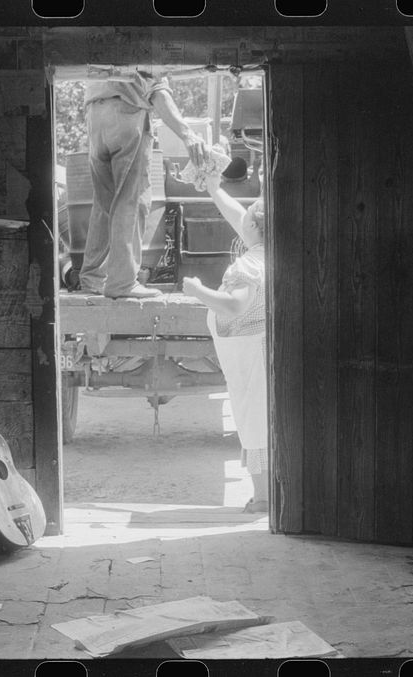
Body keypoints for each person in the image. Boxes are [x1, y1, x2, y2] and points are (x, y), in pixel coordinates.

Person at [181, 172, 268, 513]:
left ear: (254, 229)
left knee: (254, 425)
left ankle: (263, 498)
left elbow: (235, 305)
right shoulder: (271, 253)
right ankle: (269, 493)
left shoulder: (246, 265)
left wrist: (198, 290)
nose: (239, 221)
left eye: (246, 221)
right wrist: (213, 188)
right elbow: (238, 215)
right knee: (263, 422)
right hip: (261, 350)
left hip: (249, 356)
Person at [81, 71, 210, 298]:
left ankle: (93, 277)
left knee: (105, 203)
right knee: (131, 200)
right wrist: (187, 135)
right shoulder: (146, 39)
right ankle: (123, 282)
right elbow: (157, 89)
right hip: (126, 114)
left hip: (95, 114)